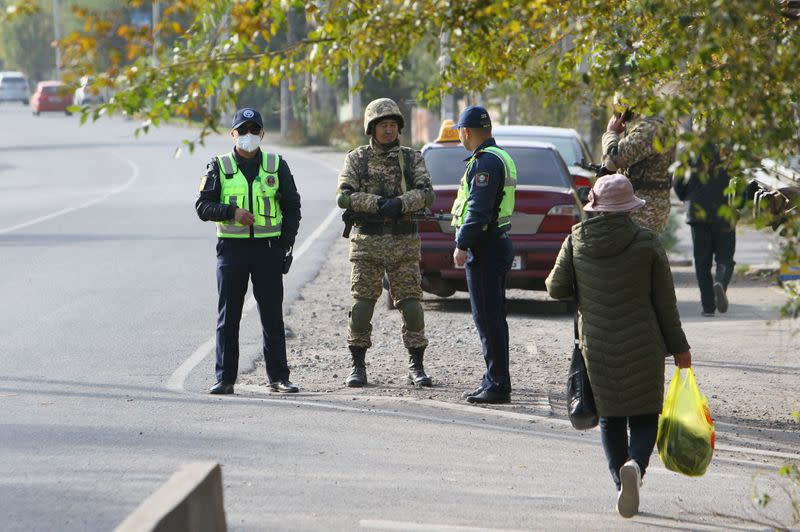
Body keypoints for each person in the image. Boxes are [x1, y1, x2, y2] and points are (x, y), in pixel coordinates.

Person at [545, 173, 691, 518]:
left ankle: (620, 483)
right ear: (630, 208)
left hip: (597, 345)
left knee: (611, 418)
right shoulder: (648, 242)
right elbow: (665, 304)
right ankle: (636, 469)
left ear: (595, 207)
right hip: (645, 343)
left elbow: (556, 288)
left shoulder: (576, 240)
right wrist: (680, 348)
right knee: (643, 416)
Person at [196, 107, 301, 395]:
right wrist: (232, 212)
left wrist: (285, 244)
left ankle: (279, 377)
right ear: (233, 134)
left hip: (268, 250)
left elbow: (293, 206)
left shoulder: (276, 164)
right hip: (232, 251)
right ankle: (225, 379)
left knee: (272, 316)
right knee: (228, 317)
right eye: (243, 130)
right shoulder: (219, 166)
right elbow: (202, 207)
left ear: (263, 134)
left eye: (254, 130)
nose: (248, 136)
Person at [336, 98, 435, 388]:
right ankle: (358, 365)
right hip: (367, 242)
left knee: (412, 306)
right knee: (363, 306)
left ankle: (416, 365)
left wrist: (401, 204)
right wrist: (378, 204)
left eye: (393, 125)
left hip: (404, 243)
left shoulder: (411, 158)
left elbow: (427, 193)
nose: (389, 131)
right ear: (372, 128)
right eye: (383, 125)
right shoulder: (357, 159)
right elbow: (343, 196)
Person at [450, 106, 517, 405]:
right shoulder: (497, 156)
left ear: (465, 132)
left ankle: (498, 385)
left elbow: (478, 209)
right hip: (495, 244)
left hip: (486, 247)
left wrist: (462, 243)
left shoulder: (486, 162)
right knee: (492, 318)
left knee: (487, 319)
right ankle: (493, 379)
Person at [673, 142, 736, 316]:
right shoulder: (729, 151)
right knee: (725, 258)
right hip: (725, 212)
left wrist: (687, 197)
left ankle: (708, 307)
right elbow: (741, 183)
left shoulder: (689, 152)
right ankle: (721, 283)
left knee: (702, 262)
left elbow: (678, 182)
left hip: (698, 213)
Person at [602, 94, 675, 234]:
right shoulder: (653, 124)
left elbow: (612, 160)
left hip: (643, 209)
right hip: (643, 206)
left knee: (634, 253)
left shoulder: (650, 128)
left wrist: (610, 133)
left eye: (619, 110)